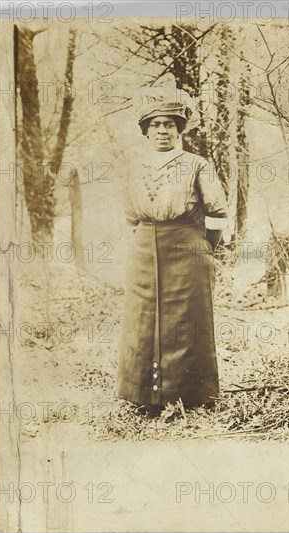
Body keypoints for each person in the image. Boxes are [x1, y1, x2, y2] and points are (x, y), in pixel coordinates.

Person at [115, 88, 230, 410]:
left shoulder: (196, 165)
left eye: (169, 124)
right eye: (155, 125)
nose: (162, 131)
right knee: (142, 320)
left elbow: (218, 214)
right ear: (146, 131)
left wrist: (202, 250)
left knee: (186, 320)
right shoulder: (136, 166)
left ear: (180, 130)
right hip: (143, 252)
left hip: (187, 249)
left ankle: (190, 397)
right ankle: (143, 398)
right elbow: (131, 218)